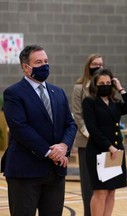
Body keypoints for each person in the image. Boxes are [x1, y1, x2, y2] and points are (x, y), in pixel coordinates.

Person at [0, 45, 77, 216]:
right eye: (39, 62)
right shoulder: (13, 93)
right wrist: (50, 152)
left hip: (55, 171)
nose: (44, 66)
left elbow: (70, 124)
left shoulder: (58, 92)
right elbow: (20, 129)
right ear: (25, 67)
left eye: (46, 61)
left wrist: (64, 146)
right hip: (25, 171)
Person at [82, 68, 127, 216]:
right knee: (100, 191)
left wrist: (120, 88)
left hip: (116, 151)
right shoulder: (89, 102)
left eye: (108, 82)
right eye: (101, 83)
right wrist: (109, 147)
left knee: (111, 191)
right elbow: (93, 129)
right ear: (95, 85)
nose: (105, 85)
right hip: (99, 151)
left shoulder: (115, 102)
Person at [72, 53, 104, 216]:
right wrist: (92, 135)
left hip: (105, 144)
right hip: (87, 142)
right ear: (88, 66)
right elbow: (77, 115)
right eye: (95, 64)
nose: (98, 67)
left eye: (101, 64)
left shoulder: (105, 87)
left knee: (105, 185)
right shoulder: (79, 88)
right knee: (88, 185)